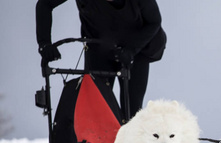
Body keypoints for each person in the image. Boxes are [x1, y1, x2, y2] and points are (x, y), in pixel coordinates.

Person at [36, 0, 166, 120]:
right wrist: (44, 44)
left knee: (132, 111)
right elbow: (44, 4)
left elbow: (154, 21)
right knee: (97, 109)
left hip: (136, 49)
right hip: (99, 47)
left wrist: (131, 50)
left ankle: (130, 139)